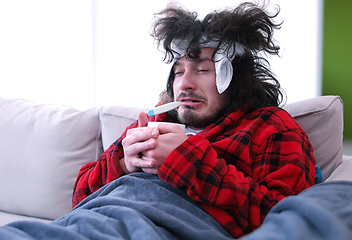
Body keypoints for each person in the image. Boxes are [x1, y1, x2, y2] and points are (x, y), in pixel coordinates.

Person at [73, 2, 316, 238]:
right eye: (178, 72)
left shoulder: (270, 127)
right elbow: (79, 196)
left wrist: (186, 161)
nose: (184, 84)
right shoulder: (155, 121)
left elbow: (284, 221)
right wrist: (125, 164)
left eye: (202, 70)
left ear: (236, 79)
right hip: (90, 222)